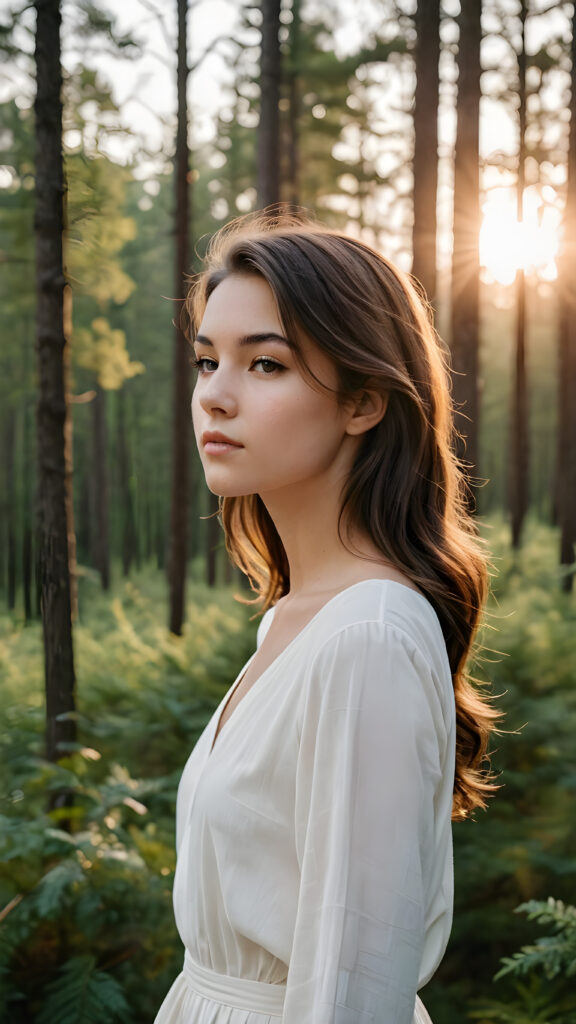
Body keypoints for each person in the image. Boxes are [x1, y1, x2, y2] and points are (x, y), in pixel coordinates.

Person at [154, 214, 499, 1024]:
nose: (215, 395)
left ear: (364, 401)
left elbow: (357, 984)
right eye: (207, 361)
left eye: (265, 363)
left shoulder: (367, 636)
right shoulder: (293, 619)